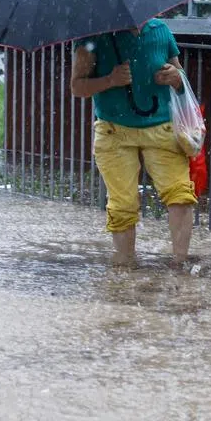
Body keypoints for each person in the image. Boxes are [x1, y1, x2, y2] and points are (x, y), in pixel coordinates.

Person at [69, 18, 195, 268]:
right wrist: (110, 80)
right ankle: (125, 268)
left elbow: (179, 74)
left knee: (180, 194)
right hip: (114, 132)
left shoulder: (161, 31)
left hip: (161, 128)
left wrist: (175, 77)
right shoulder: (92, 36)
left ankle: (180, 265)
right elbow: (77, 87)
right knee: (123, 205)